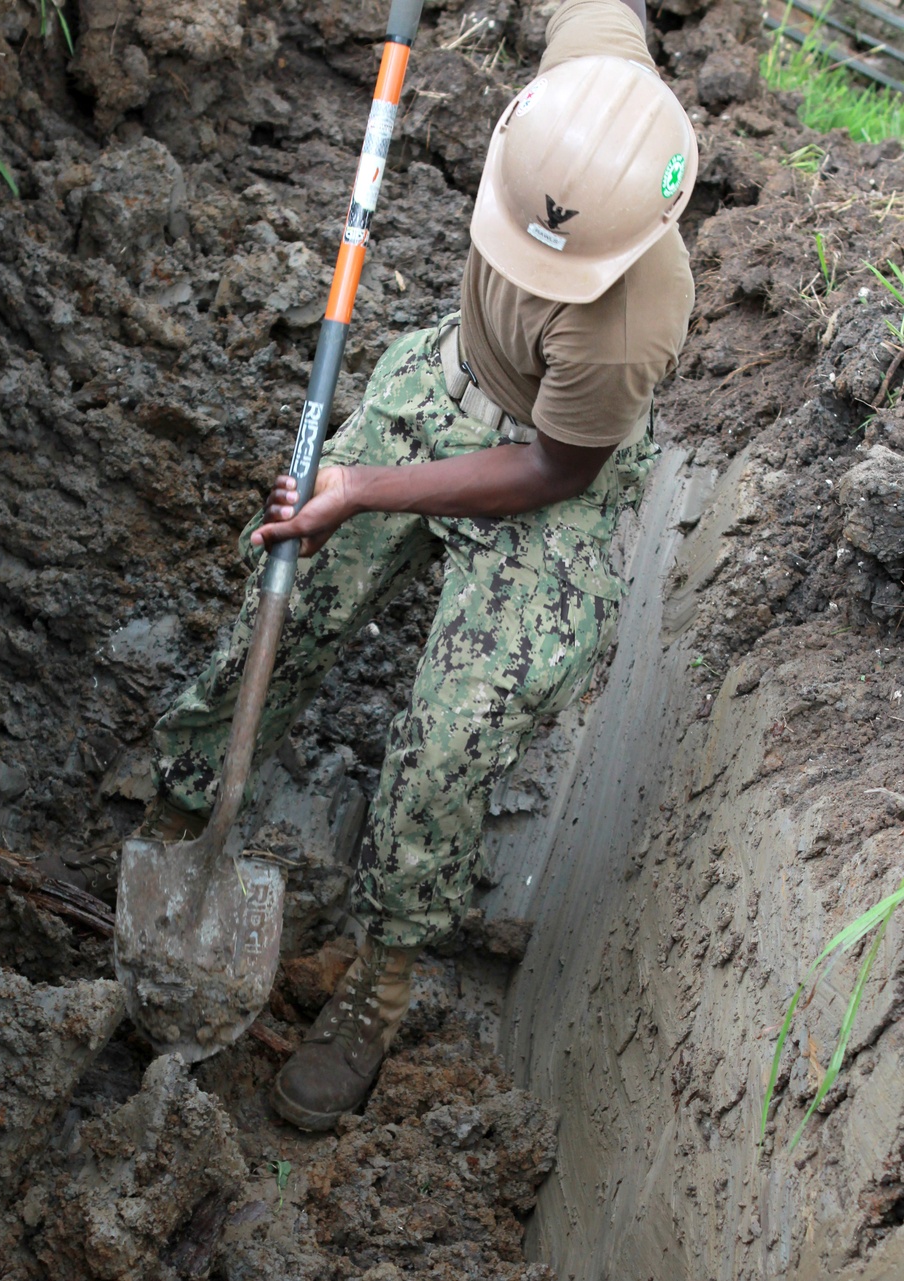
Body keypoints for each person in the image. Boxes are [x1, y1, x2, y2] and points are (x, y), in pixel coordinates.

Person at [134, 0, 696, 1130]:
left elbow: (546, 472)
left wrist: (363, 490)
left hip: (547, 475)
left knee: (450, 744)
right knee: (285, 592)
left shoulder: (630, 318)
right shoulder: (587, 84)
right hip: (449, 376)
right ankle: (184, 809)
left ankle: (380, 981)